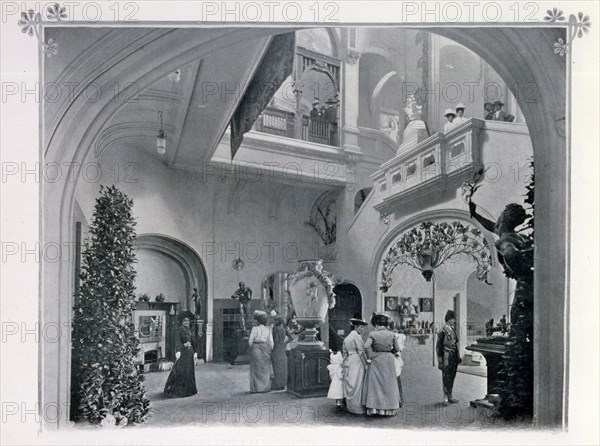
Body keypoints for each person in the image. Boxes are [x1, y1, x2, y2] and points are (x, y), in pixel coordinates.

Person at [363, 313, 401, 416]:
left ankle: (375, 409)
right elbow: (397, 349)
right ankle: (389, 409)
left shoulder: (373, 334)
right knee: (389, 384)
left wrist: (370, 356)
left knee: (376, 385)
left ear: (376, 324)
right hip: (388, 360)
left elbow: (366, 346)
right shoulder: (391, 334)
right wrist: (390, 352)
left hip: (376, 360)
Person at [164, 310, 198, 398]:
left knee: (189, 371)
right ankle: (179, 391)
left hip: (190, 354)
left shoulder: (189, 330)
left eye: (188, 321)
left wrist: (195, 352)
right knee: (181, 371)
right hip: (183, 353)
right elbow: (177, 341)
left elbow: (193, 341)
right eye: (185, 321)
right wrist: (182, 347)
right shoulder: (179, 330)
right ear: (182, 322)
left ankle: (189, 391)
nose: (187, 322)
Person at [341, 316, 368, 414]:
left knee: (351, 382)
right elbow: (361, 352)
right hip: (357, 361)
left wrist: (344, 364)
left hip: (349, 361)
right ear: (356, 327)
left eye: (363, 327)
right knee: (358, 383)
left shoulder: (347, 338)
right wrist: (365, 364)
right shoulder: (356, 336)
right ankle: (358, 408)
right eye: (361, 327)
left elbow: (344, 353)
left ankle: (351, 407)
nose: (362, 329)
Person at [436, 310, 462, 405]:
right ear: (449, 319)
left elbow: (455, 344)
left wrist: (458, 356)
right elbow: (438, 347)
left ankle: (450, 396)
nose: (454, 321)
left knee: (452, 376)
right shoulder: (442, 331)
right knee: (446, 377)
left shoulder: (452, 329)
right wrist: (440, 361)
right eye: (453, 319)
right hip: (446, 356)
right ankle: (445, 398)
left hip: (453, 356)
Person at [248, 311, 273, 393]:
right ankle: (265, 388)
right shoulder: (268, 330)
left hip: (256, 348)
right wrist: (269, 350)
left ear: (258, 321)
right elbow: (271, 342)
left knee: (256, 368)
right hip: (266, 348)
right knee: (265, 368)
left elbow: (250, 341)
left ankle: (256, 388)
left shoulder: (255, 329)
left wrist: (252, 347)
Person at [271, 315, 291, 390]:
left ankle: (278, 384)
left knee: (276, 367)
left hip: (276, 348)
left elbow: (275, 340)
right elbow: (291, 338)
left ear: (278, 321)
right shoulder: (285, 328)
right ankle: (283, 384)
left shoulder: (275, 329)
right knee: (283, 367)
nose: (274, 322)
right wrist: (285, 343)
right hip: (283, 348)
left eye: (275, 321)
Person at [389, 320, 406, 406]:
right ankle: (399, 400)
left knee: (392, 378)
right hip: (396, 357)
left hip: (391, 357)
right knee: (397, 377)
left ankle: (395, 400)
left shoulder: (391, 335)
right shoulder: (402, 336)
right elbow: (401, 348)